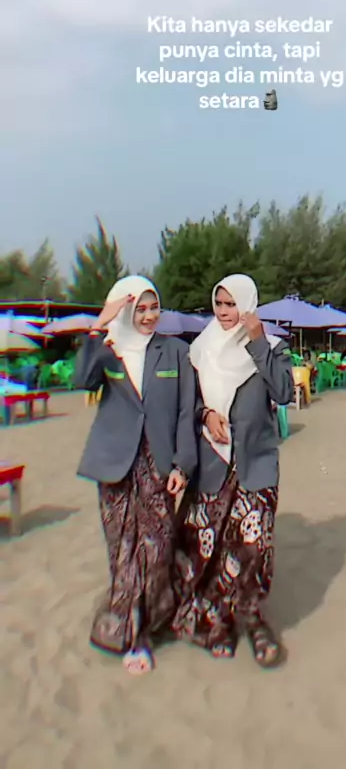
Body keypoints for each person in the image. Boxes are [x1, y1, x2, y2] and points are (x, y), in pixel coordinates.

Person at [75, 275, 197, 675]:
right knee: (123, 551)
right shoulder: (108, 350)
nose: (148, 316)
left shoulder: (176, 352)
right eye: (139, 309)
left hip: (157, 463)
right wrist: (98, 325)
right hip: (114, 463)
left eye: (153, 307)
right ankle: (134, 635)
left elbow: (186, 412)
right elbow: (82, 379)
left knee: (156, 550)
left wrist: (182, 465)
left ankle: (150, 620)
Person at [171, 274, 294, 668]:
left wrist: (257, 342)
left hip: (256, 461)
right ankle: (216, 621)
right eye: (219, 304)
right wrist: (206, 414)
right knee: (208, 546)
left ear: (248, 305)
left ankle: (254, 621)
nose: (224, 312)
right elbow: (187, 401)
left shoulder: (272, 346)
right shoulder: (201, 349)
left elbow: (284, 392)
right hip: (213, 461)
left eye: (232, 304)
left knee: (254, 548)